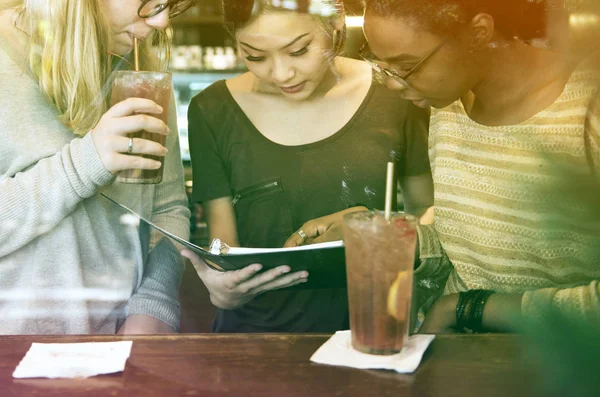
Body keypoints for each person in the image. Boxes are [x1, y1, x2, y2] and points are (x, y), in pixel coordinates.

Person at [182, 0, 433, 333]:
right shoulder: (212, 109)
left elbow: (430, 220)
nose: (282, 74)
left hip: (372, 329)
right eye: (255, 56)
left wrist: (370, 224)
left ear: (337, 24)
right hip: (254, 337)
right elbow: (223, 243)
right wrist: (219, 279)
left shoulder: (394, 93)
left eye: (299, 51)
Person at [362, 0, 600, 333]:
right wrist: (393, 241)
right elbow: (473, 252)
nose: (392, 84)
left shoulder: (588, 105)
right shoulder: (450, 104)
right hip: (458, 357)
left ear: (478, 33)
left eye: (408, 66)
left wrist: (468, 309)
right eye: (383, 66)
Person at [0, 0, 194, 334]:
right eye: (151, 3)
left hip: (122, 345)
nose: (161, 21)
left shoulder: (141, 72)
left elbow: (169, 208)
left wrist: (155, 305)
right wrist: (88, 161)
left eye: (170, 6)